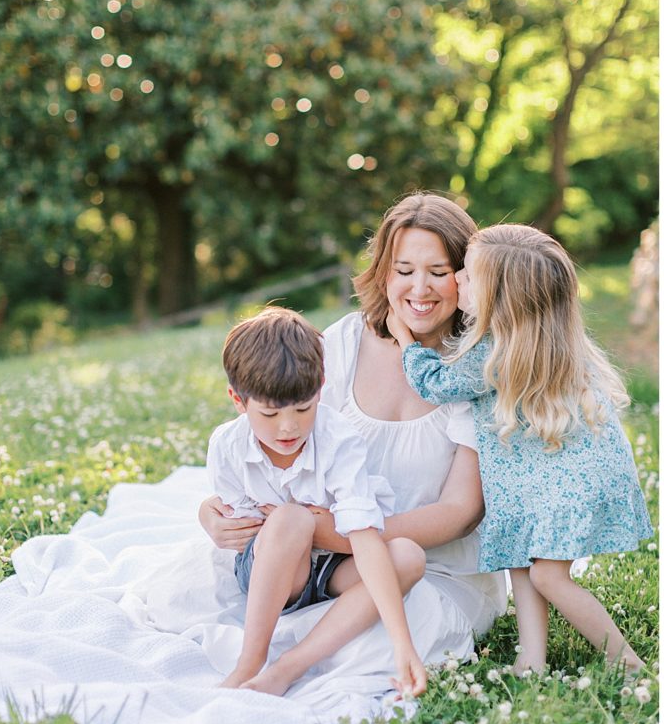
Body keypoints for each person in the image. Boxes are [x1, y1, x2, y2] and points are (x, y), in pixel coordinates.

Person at [200, 193, 507, 695]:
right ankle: (260, 662)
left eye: (439, 270)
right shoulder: (341, 343)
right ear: (384, 273)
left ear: (468, 275)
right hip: (312, 554)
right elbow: (265, 443)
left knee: (379, 645)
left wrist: (332, 535)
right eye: (404, 269)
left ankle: (285, 670)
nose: (420, 288)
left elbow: (461, 511)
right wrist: (213, 513)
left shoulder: (481, 368)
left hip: (431, 565)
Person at [388, 223, 653, 676]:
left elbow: (435, 384)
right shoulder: (547, 338)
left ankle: (625, 662)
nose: (456, 280)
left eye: (468, 277)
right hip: (554, 480)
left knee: (549, 575)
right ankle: (530, 659)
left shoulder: (491, 355)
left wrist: (406, 340)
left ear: (497, 298)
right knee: (521, 561)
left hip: (555, 489)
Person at [206, 306, 428, 697]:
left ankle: (287, 668)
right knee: (292, 519)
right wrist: (218, 517)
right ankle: (250, 663)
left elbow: (363, 534)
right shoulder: (228, 446)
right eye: (270, 414)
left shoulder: (338, 439)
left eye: (303, 409)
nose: (288, 426)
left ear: (321, 387)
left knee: (408, 555)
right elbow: (242, 530)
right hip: (273, 574)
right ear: (238, 401)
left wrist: (402, 643)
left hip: (331, 570)